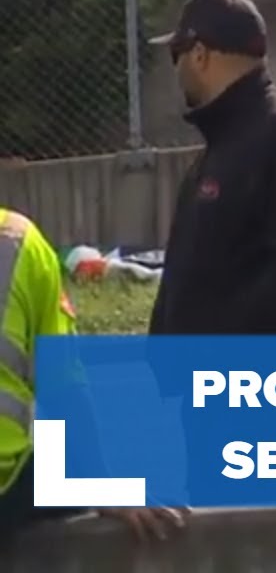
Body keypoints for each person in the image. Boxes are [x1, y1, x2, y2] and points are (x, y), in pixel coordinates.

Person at [147, 0, 276, 505]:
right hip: (222, 397)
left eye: (177, 55)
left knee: (264, 540)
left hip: (267, 404)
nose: (177, 69)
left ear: (201, 54)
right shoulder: (225, 145)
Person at [0, 208, 187, 543]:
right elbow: (61, 387)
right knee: (64, 461)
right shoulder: (17, 242)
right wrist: (100, 482)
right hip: (6, 487)